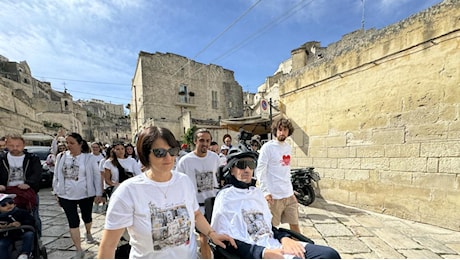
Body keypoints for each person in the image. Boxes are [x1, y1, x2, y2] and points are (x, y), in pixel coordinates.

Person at [97, 126, 236, 259]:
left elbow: (196, 214)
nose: (168, 158)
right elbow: (108, 246)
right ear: (145, 154)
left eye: (172, 151)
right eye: (159, 152)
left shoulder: (184, 181)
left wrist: (212, 233)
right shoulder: (128, 191)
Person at [211, 147, 341, 259]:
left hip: (273, 242)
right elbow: (224, 241)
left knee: (330, 254)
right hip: (254, 251)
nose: (247, 169)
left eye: (251, 164)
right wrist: (262, 253)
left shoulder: (256, 193)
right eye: (241, 164)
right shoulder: (225, 198)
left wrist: (284, 238)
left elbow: (267, 226)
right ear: (231, 169)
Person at [52, 132, 103, 259]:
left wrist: (98, 193)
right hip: (66, 195)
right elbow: (57, 176)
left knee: (87, 217)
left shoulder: (89, 158)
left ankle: (88, 232)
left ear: (80, 144)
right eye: (67, 143)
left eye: (72, 143)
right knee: (73, 221)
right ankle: (79, 249)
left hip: (85, 194)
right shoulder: (61, 156)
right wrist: (56, 192)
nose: (69, 145)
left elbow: (97, 176)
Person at [176, 128, 220, 259]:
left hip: (213, 203)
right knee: (203, 237)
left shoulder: (215, 158)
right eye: (201, 140)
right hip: (197, 207)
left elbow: (217, 177)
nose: (205, 143)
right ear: (195, 141)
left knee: (216, 234)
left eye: (207, 140)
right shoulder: (185, 161)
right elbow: (179, 184)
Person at [255, 118, 301, 233]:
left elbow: (286, 171)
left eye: (285, 130)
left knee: (295, 227)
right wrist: (265, 192)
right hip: (274, 197)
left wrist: (291, 192)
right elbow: (260, 170)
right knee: (271, 229)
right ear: (275, 131)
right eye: (280, 129)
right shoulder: (268, 148)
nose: (282, 132)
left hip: (288, 195)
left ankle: (300, 248)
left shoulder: (288, 147)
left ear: (288, 132)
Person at [0, 134, 42, 236]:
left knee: (33, 217)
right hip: (6, 194)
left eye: (18, 145)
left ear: (23, 145)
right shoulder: (1, 158)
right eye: (11, 145)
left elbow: (37, 174)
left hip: (27, 193)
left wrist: (29, 183)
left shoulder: (32, 158)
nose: (15, 148)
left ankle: (36, 238)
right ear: (6, 145)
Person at [0, 193, 36, 259]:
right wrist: (5, 226)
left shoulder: (21, 212)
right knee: (1, 244)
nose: (8, 205)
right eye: (3, 205)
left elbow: (31, 220)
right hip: (6, 236)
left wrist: (21, 223)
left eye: (10, 202)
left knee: (29, 234)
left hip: (21, 232)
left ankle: (25, 254)